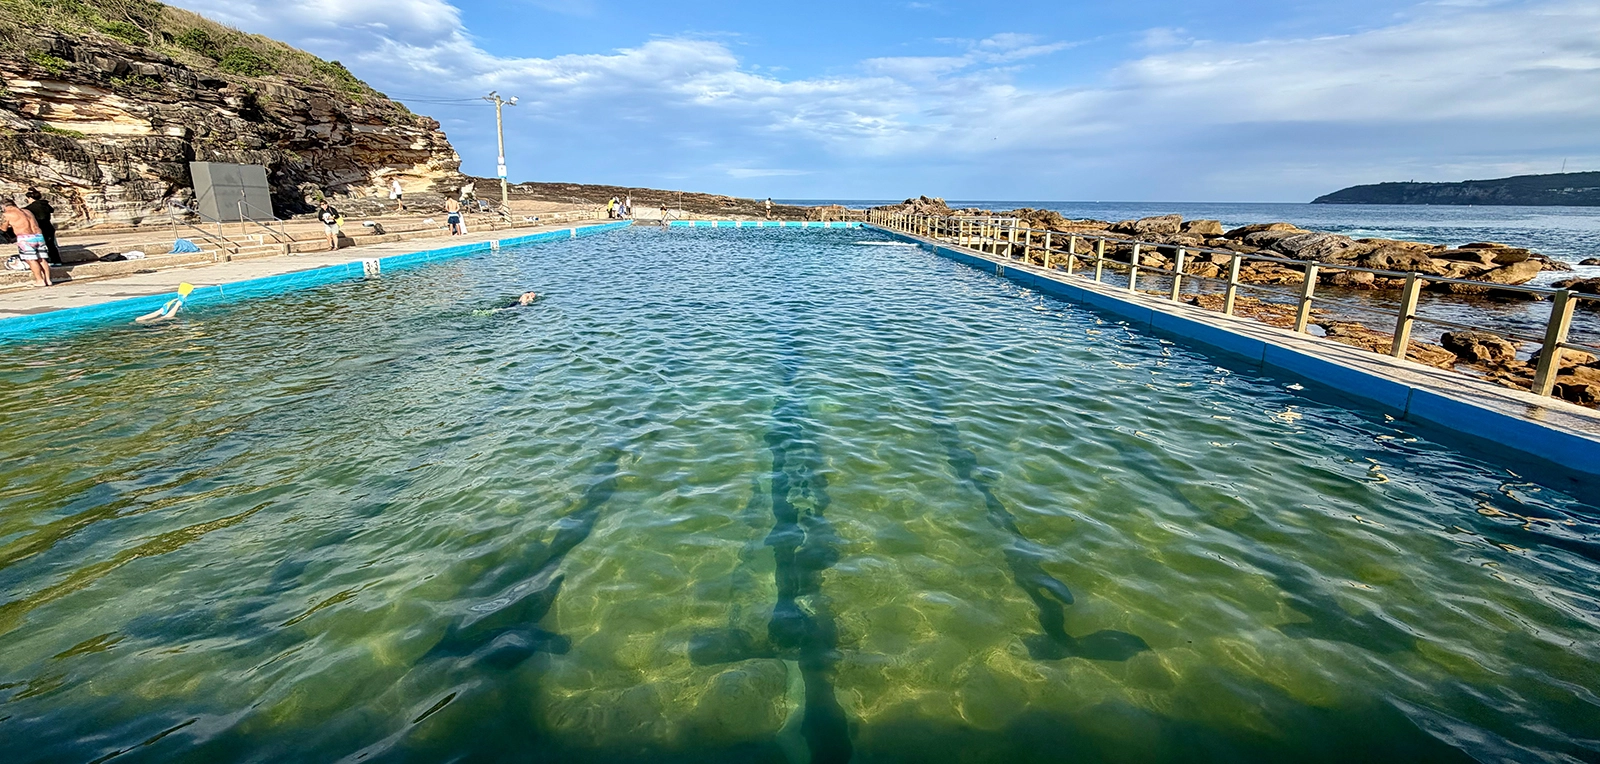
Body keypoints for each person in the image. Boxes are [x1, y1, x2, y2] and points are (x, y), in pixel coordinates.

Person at [1, 199, 50, 286]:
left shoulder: (6, 214)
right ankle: (48, 280)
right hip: (38, 236)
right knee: (41, 258)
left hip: (25, 238)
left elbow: (3, 229)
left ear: (3, 206)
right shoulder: (27, 211)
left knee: (31, 259)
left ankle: (40, 280)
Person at [23, 189, 61, 266]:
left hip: (40, 227)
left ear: (30, 198)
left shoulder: (30, 208)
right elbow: (51, 210)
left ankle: (48, 260)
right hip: (49, 226)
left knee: (41, 245)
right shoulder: (45, 205)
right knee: (51, 245)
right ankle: (57, 260)